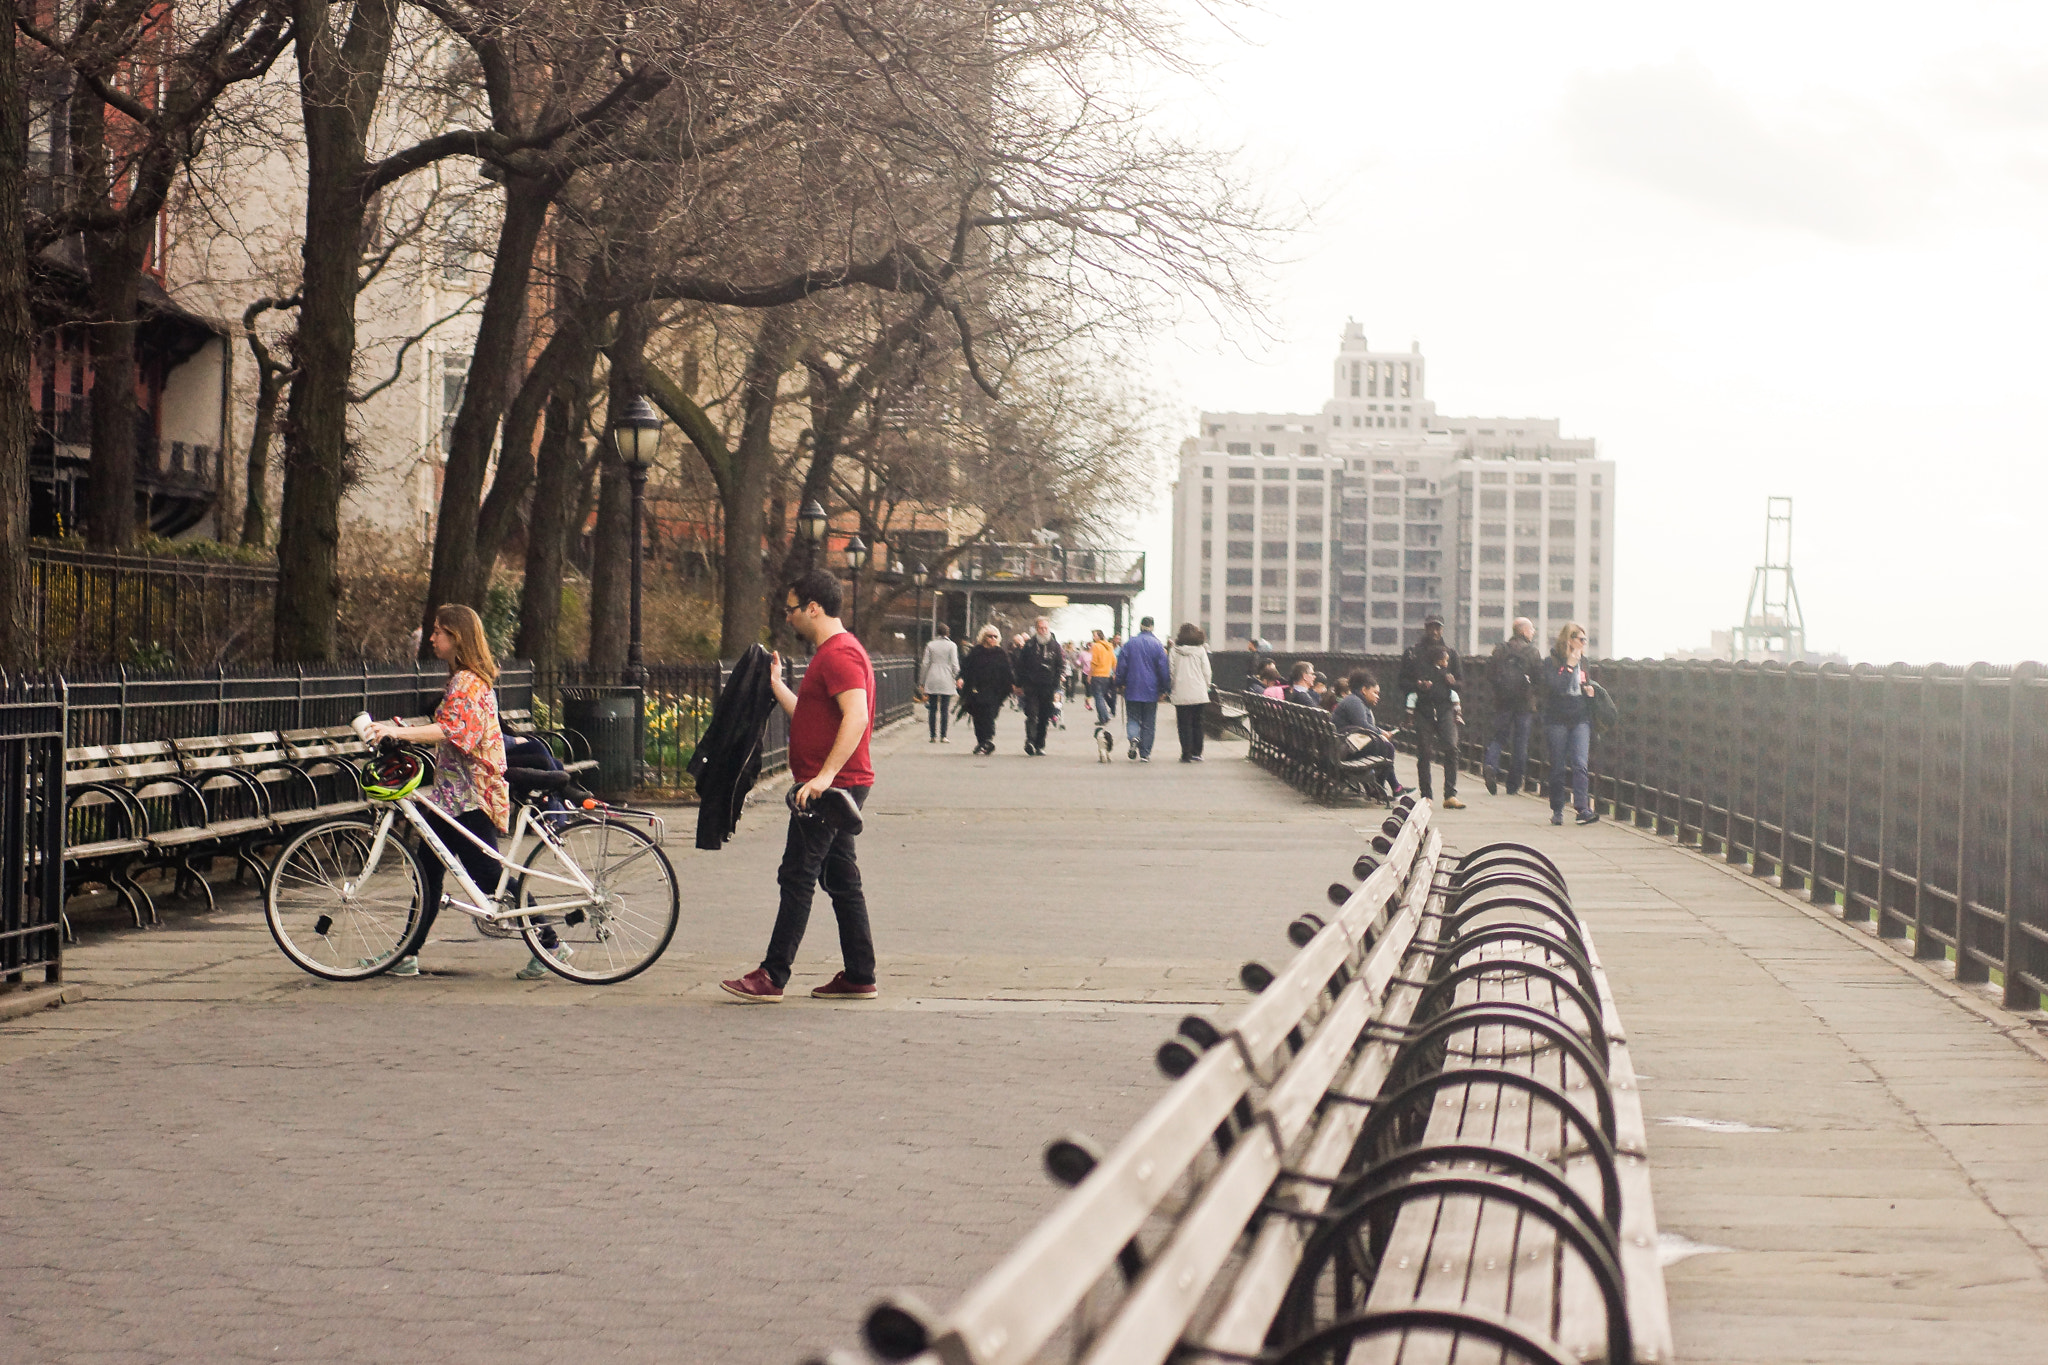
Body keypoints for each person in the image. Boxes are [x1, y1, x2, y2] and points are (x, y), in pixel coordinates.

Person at [720, 570, 880, 1003]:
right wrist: (778, 688)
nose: (787, 618)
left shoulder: (839, 655)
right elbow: (814, 717)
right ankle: (860, 975)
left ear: (813, 607)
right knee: (840, 877)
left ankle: (773, 975)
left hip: (830, 787)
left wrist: (824, 777)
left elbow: (858, 716)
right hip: (839, 782)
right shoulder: (834, 653)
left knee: (798, 874)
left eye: (791, 609)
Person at [364, 604, 540, 979]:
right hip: (451, 797)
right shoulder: (466, 680)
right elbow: (450, 726)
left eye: (438, 632)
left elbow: (453, 731)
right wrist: (400, 730)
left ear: (456, 637)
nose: (432, 638)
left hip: (467, 797)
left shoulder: (467, 682)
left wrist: (401, 734)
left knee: (488, 876)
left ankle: (550, 944)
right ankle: (406, 955)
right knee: (426, 871)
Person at [1399, 616, 1465, 809]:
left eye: (1438, 628)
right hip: (1423, 707)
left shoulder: (1451, 654)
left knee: (1452, 747)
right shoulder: (1413, 654)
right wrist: (1418, 685)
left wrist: (1453, 683)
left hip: (1445, 708)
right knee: (1425, 751)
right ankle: (1426, 795)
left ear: (1442, 630)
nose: (1434, 632)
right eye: (1431, 627)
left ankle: (1450, 794)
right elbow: (1402, 682)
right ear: (1425, 628)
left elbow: (1461, 683)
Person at [1544, 621, 1600, 826]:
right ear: (1569, 640)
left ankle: (1582, 809)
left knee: (1580, 764)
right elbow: (1555, 687)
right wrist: (1568, 665)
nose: (1584, 643)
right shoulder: (1551, 662)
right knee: (1558, 766)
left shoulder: (1584, 662)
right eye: (1581, 639)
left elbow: (1585, 683)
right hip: (1557, 718)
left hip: (1580, 717)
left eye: (1586, 640)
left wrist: (1590, 693)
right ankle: (1557, 809)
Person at [1483, 616, 1542, 796]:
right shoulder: (1532, 652)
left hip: (1503, 702)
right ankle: (1513, 785)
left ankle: (1490, 764)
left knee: (1499, 737)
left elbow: (1489, 673)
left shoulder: (1500, 649)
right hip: (1524, 704)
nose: (1533, 632)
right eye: (1531, 629)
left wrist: (1500, 690)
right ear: (1523, 631)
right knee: (1520, 743)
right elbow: (1540, 678)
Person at [1331, 667, 1404, 794]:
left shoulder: (1353, 700)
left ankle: (1391, 787)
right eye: (1375, 692)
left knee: (1385, 747)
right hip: (1345, 750)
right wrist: (1382, 733)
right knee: (1387, 748)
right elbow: (1363, 725)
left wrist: (1380, 732)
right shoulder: (1355, 702)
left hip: (1340, 745)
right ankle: (1380, 788)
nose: (1377, 697)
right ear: (1364, 690)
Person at [1114, 616, 1172, 761]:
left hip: (1132, 687)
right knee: (1148, 722)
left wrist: (1119, 683)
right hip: (1151, 690)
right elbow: (1163, 670)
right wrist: (1165, 689)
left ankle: (1134, 738)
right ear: (1152, 627)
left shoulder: (1129, 644)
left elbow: (1121, 666)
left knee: (1133, 717)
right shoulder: (1158, 645)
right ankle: (1145, 753)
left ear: (1140, 626)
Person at [958, 624, 1014, 754]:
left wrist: (1012, 685)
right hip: (977, 688)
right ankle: (982, 741)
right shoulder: (976, 652)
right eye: (990, 636)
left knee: (989, 714)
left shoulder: (1000, 653)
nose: (993, 639)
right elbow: (966, 667)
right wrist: (961, 678)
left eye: (995, 636)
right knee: (978, 716)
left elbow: (1007, 671)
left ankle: (988, 739)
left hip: (995, 690)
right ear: (984, 637)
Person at [1014, 616, 1064, 755]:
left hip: (1048, 686)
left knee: (1044, 716)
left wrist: (1057, 682)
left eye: (1046, 628)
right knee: (1031, 713)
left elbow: (1060, 665)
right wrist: (1018, 684)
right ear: (1036, 629)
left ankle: (1040, 744)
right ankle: (1030, 741)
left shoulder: (1055, 646)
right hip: (1031, 686)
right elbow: (1021, 666)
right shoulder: (1029, 645)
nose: (1043, 630)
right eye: (1041, 628)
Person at [1168, 622, 1213, 762]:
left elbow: (1171, 671)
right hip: (1198, 691)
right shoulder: (1200, 650)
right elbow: (1207, 671)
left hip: (1181, 691)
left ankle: (1186, 753)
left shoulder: (1174, 651)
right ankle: (1197, 752)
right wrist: (1206, 686)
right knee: (1198, 723)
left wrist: (1172, 687)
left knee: (1183, 724)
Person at [919, 623, 960, 743]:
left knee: (932, 708)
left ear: (937, 632)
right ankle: (943, 735)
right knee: (944, 708)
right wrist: (958, 677)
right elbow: (954, 663)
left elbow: (925, 663)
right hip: (946, 677)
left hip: (932, 676)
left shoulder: (930, 645)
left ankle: (932, 735)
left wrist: (922, 680)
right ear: (948, 633)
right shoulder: (952, 645)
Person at [1087, 629, 1118, 724]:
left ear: (1099, 636)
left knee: (1098, 697)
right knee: (1102, 696)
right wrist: (1115, 673)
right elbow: (1114, 661)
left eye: (1095, 636)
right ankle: (1104, 716)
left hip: (1097, 674)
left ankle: (1104, 717)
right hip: (1106, 675)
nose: (1093, 637)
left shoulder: (1096, 646)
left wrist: (1090, 675)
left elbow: (1094, 662)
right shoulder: (1109, 647)